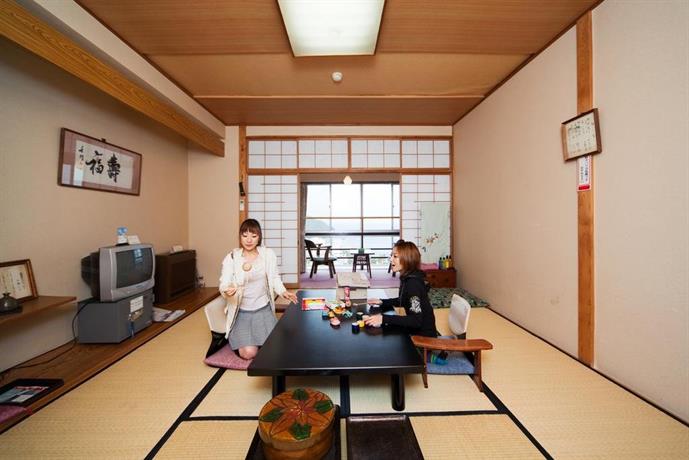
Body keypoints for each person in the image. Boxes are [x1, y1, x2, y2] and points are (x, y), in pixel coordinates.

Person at [219, 219, 297, 359]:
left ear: (259, 237)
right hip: (240, 313)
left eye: (253, 236)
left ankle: (262, 338)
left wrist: (283, 291)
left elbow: (274, 277)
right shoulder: (232, 258)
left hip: (263, 309)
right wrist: (227, 290)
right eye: (245, 236)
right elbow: (224, 283)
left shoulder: (267, 255)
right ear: (240, 236)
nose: (249, 240)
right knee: (249, 353)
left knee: (279, 347)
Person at [364, 240, 437, 338]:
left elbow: (416, 320)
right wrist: (382, 301)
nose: (391, 259)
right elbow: (403, 300)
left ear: (407, 259)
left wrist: (383, 319)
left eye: (395, 256)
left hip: (423, 339)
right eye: (391, 256)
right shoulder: (408, 277)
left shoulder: (413, 283)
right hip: (415, 331)